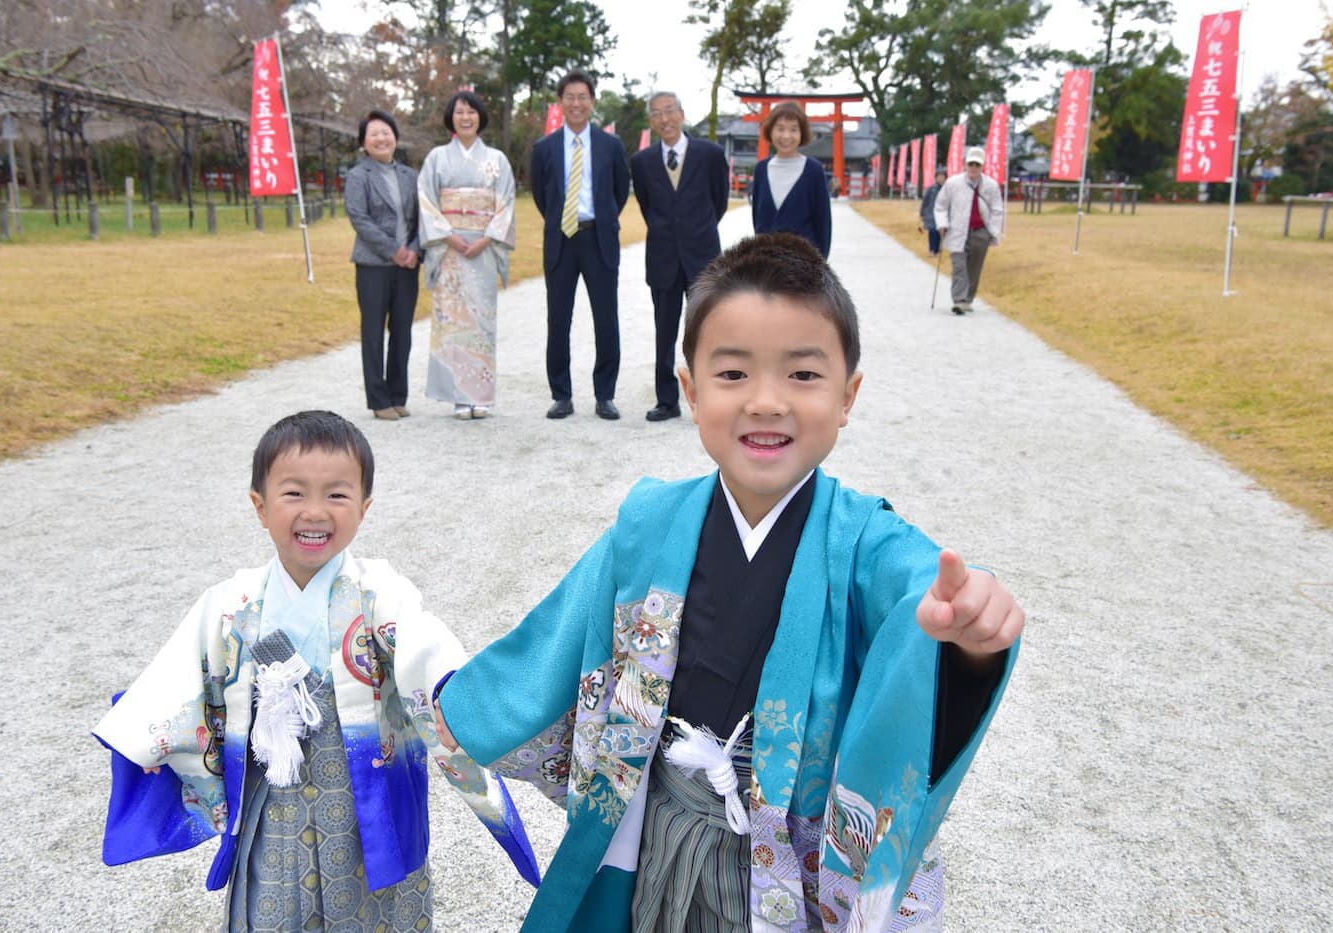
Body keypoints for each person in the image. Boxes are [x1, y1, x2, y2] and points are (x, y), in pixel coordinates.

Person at [433, 234, 1023, 932]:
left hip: (784, 869)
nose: (766, 402)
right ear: (689, 388)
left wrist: (971, 628)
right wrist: (460, 704)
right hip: (661, 826)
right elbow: (560, 635)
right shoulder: (650, 520)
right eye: (733, 374)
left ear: (847, 395)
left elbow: (921, 585)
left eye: (803, 375)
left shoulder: (864, 540)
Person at [92, 410, 538, 929]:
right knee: (273, 910)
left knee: (378, 913)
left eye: (337, 494)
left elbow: (425, 648)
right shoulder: (230, 605)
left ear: (364, 507)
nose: (316, 511)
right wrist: (143, 731)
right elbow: (178, 684)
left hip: (365, 813)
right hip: (273, 814)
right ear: (260, 506)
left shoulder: (381, 595)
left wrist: (452, 696)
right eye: (295, 493)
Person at [531, 69, 632, 421]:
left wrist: (598, 219)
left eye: (582, 96)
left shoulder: (611, 145)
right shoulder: (544, 148)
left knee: (606, 320)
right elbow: (543, 196)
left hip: (599, 238)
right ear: (561, 102)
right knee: (558, 319)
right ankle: (562, 395)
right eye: (569, 97)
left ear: (592, 101)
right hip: (561, 240)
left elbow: (619, 192)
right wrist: (565, 219)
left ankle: (605, 394)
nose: (576, 103)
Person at [629, 91, 728, 423]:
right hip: (663, 258)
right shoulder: (641, 162)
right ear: (651, 121)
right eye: (656, 113)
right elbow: (647, 206)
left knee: (707, 331)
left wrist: (696, 230)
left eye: (670, 111)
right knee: (664, 331)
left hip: (703, 256)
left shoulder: (711, 154)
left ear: (682, 114)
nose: (664, 119)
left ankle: (711, 400)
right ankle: (666, 400)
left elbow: (720, 201)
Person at [418, 91, 516, 421]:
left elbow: (505, 203)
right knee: (453, 321)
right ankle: (459, 395)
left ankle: (481, 395)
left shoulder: (497, 160)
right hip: (449, 248)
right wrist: (450, 236)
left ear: (480, 117)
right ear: (451, 117)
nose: (465, 117)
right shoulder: (436, 158)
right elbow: (427, 201)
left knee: (481, 322)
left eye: (471, 112)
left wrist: (487, 238)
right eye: (459, 111)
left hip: (483, 249)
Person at [344, 110, 421, 421]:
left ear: (395, 138)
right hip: (373, 265)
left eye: (386, 132)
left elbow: (422, 218)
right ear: (364, 142)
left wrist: (414, 250)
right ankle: (378, 400)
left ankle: (398, 395)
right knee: (373, 332)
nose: (381, 138)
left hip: (408, 266)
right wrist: (394, 250)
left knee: (402, 331)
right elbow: (359, 219)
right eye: (373, 133)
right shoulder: (358, 176)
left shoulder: (410, 176)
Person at [749, 102, 832, 258]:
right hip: (764, 263)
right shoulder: (761, 169)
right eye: (780, 129)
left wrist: (821, 268)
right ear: (770, 131)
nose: (786, 136)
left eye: (793, 129)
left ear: (802, 133)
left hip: (803, 265)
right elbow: (757, 218)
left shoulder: (813, 170)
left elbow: (823, 224)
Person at [933, 146, 1003, 315]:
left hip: (980, 232)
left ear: (982, 167)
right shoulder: (953, 183)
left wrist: (992, 230)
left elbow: (997, 209)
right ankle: (959, 299)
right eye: (970, 164)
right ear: (965, 164)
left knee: (974, 267)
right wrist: (942, 224)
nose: (973, 168)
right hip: (957, 230)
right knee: (959, 267)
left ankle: (968, 299)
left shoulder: (991, 186)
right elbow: (940, 206)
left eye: (977, 165)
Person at [918, 167, 947, 256]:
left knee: (939, 233)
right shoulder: (931, 189)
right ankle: (931, 250)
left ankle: (937, 250)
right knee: (932, 232)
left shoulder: (947, 189)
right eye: (939, 176)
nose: (941, 178)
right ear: (936, 177)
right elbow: (925, 201)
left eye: (943, 176)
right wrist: (922, 213)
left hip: (941, 214)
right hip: (930, 214)